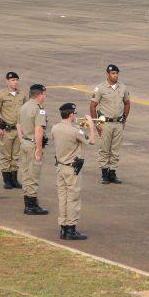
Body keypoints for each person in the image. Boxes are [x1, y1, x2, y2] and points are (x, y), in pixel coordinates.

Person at [52, 102, 95, 240]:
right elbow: (91, 141)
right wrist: (91, 127)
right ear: (71, 115)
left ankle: (63, 228)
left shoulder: (55, 128)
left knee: (62, 198)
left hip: (60, 167)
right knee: (73, 199)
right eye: (75, 114)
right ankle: (71, 228)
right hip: (72, 169)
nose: (76, 116)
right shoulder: (75, 131)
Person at [90, 64, 131, 185]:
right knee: (104, 149)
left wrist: (124, 119)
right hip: (105, 123)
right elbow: (93, 105)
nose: (115, 75)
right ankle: (104, 174)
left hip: (118, 123)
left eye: (117, 73)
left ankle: (113, 173)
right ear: (107, 74)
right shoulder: (100, 88)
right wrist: (96, 122)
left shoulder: (123, 87)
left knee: (115, 149)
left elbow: (127, 103)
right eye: (113, 73)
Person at [18, 84, 49, 215]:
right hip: (32, 144)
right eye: (44, 94)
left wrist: (21, 140)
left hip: (24, 143)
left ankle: (28, 202)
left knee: (26, 174)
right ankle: (31, 206)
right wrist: (38, 148)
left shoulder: (24, 106)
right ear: (40, 94)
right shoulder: (39, 109)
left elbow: (18, 125)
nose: (45, 97)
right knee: (33, 175)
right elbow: (39, 129)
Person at [0, 71, 27, 189]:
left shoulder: (22, 95)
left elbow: (25, 111)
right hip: (6, 129)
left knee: (16, 155)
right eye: (12, 80)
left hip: (18, 129)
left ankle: (14, 180)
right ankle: (6, 180)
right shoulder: (1, 95)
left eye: (16, 80)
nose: (15, 82)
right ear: (7, 81)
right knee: (6, 155)